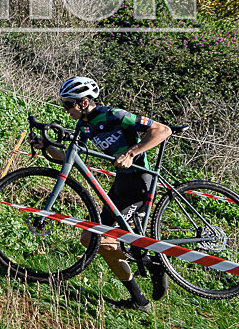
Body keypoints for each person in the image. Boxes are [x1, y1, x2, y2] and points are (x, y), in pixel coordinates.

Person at [29, 76, 172, 312]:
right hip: (121, 186)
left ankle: (152, 261)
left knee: (103, 240)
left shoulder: (114, 115)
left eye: (68, 104)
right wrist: (46, 146)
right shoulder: (84, 126)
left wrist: (132, 153)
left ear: (84, 103)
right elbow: (68, 157)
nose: (66, 110)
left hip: (139, 183)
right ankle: (140, 299)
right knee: (90, 239)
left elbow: (162, 130)